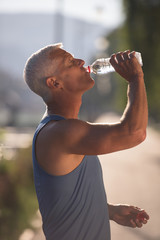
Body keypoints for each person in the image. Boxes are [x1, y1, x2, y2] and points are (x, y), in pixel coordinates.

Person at [23, 43, 149, 240]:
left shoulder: (65, 129)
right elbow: (135, 133)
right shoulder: (60, 133)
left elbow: (63, 197)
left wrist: (109, 211)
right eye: (70, 62)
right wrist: (135, 78)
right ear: (55, 83)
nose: (81, 61)